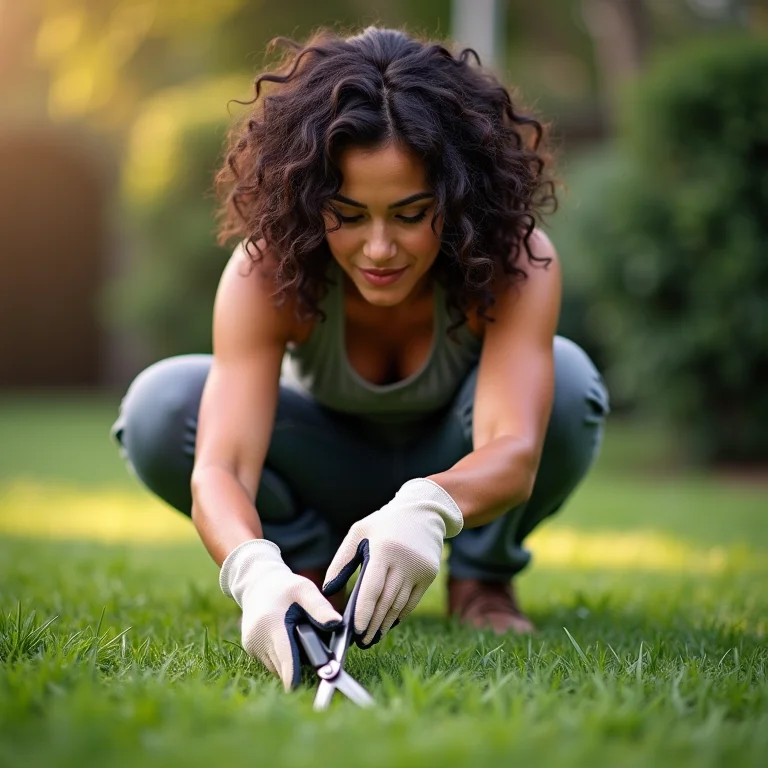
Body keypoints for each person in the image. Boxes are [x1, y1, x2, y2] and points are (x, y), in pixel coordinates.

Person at [111, 27, 609, 692]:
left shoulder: (517, 262)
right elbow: (221, 468)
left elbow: (513, 451)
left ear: (459, 196)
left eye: (410, 214)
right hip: (327, 469)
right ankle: (310, 577)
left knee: (568, 380)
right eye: (347, 215)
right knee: (160, 406)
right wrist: (255, 571)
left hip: (456, 465)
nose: (378, 248)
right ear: (309, 200)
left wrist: (428, 505)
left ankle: (482, 581)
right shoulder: (266, 273)